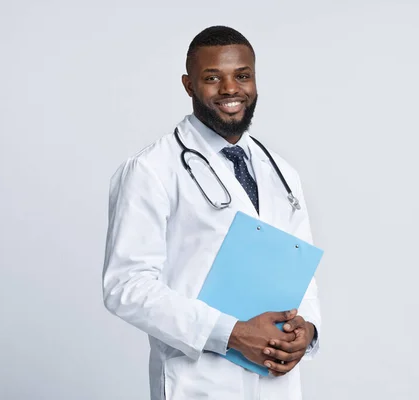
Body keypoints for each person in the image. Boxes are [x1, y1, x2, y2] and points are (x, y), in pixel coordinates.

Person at [102, 25, 321, 400]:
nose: (230, 89)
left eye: (242, 75)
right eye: (212, 77)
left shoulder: (281, 172)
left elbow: (301, 269)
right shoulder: (152, 169)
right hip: (200, 381)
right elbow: (126, 286)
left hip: (275, 380)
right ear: (188, 85)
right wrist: (232, 333)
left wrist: (309, 331)